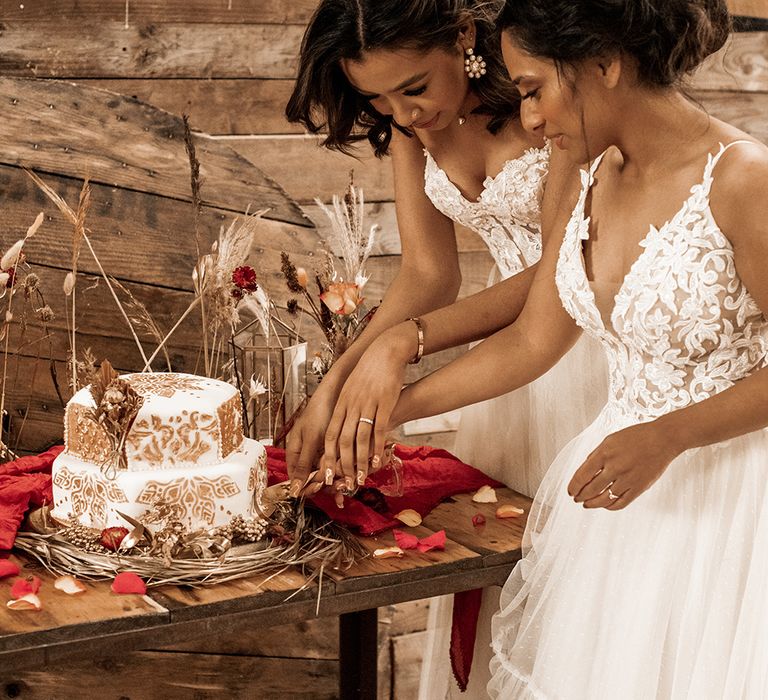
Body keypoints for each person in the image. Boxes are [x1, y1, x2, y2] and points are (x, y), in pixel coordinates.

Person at [369, 0, 768, 696]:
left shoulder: (743, 180)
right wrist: (389, 408)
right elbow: (531, 341)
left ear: (605, 65)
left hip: (730, 505)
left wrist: (668, 436)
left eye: (533, 91)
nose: (527, 118)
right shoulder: (590, 178)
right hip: (622, 502)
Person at [285, 1, 607, 695]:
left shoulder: (546, 101)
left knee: (588, 591)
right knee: (503, 573)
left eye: (414, 88)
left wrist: (406, 346)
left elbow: (562, 271)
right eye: (376, 97)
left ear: (463, 36)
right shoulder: (411, 127)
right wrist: (334, 387)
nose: (401, 113)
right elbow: (430, 273)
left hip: (587, 353)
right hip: (511, 375)